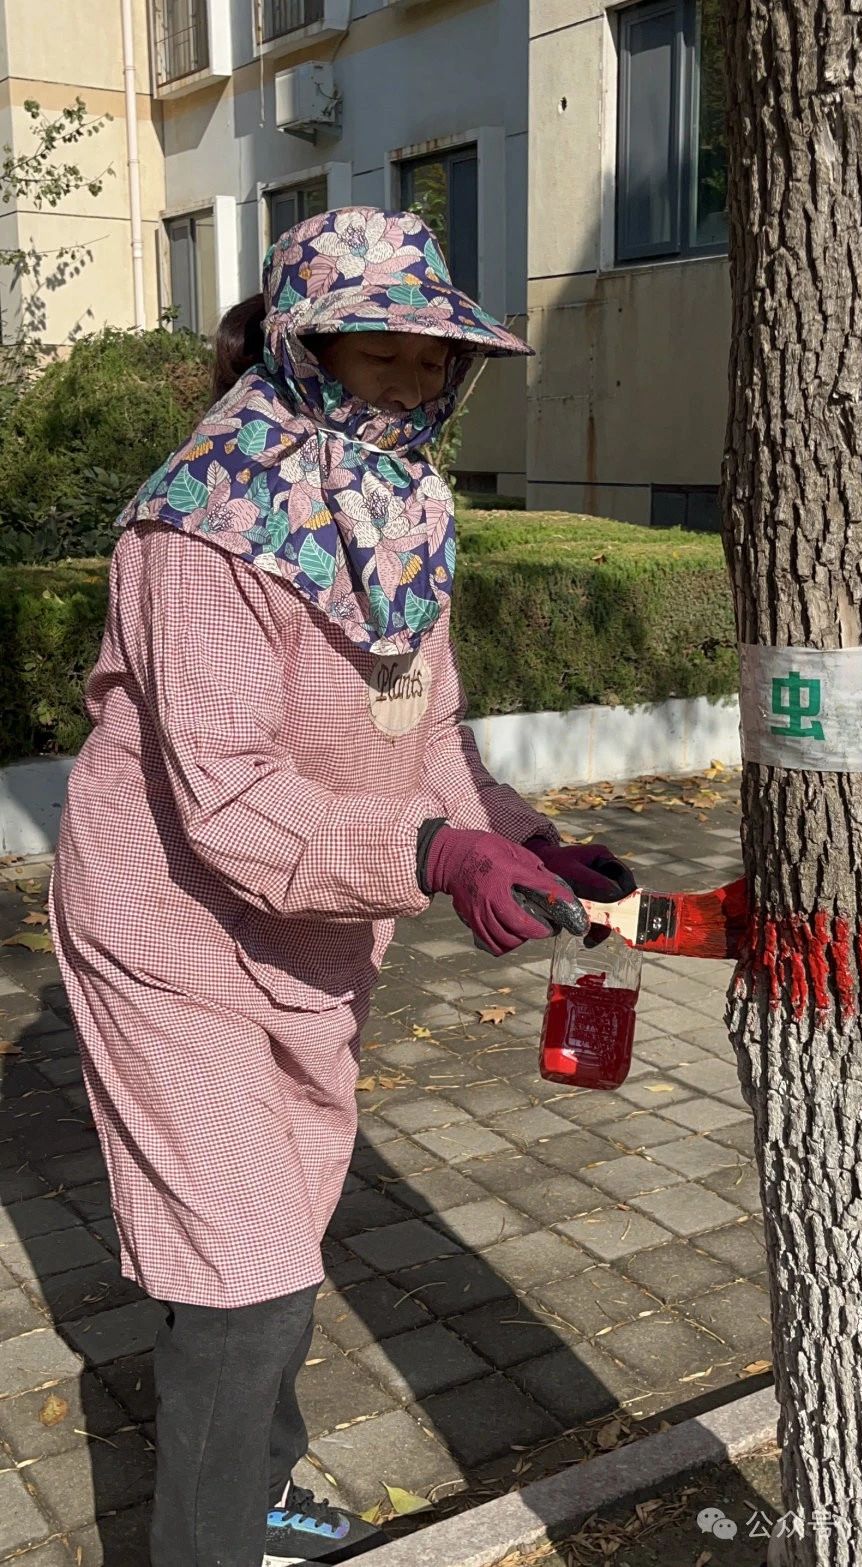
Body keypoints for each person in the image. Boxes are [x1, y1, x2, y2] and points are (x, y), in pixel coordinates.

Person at [49, 206, 635, 1567]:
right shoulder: (201, 521)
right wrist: (432, 857)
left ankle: (256, 1494)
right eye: (380, 356)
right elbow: (229, 798)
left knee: (286, 1224)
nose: (411, 385)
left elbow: (426, 728)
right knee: (244, 1267)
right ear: (303, 349)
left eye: (433, 360)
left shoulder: (404, 504)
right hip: (171, 932)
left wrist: (521, 834)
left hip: (314, 926)